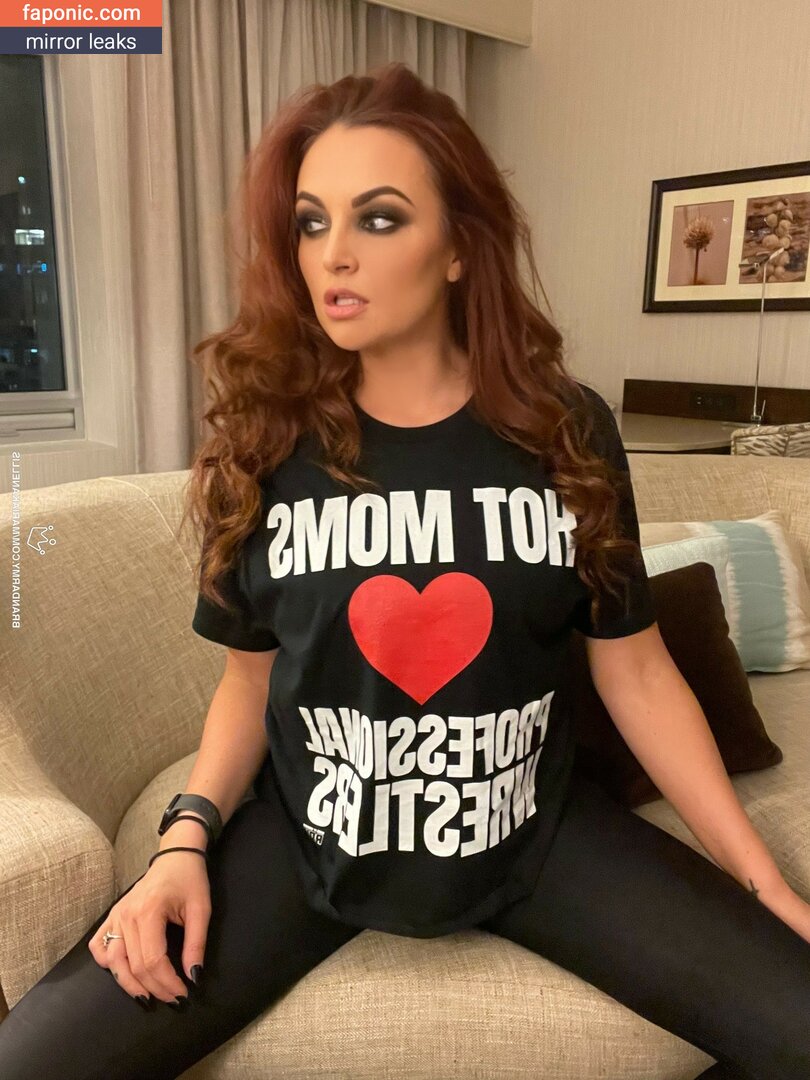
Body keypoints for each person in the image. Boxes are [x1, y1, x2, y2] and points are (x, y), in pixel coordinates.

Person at [1, 61, 809, 1080]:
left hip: (536, 835)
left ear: (460, 247)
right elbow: (248, 681)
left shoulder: (566, 430)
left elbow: (636, 671)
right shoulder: (265, 444)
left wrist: (760, 881)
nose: (333, 254)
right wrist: (184, 841)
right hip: (308, 842)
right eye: (311, 222)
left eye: (378, 218)